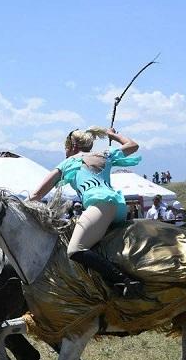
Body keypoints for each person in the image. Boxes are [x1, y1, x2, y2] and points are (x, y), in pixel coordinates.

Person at [29, 126, 142, 297]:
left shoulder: (67, 163)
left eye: (66, 148)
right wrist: (113, 135)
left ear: (73, 146)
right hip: (118, 207)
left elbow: (37, 194)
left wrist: (19, 207)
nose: (65, 151)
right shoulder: (104, 154)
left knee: (75, 249)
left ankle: (126, 282)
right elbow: (133, 145)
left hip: (100, 206)